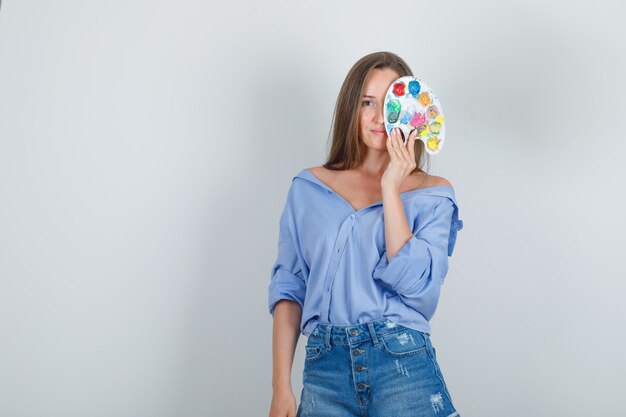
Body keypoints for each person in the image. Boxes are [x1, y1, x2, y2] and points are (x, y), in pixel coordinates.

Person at [267, 51, 464, 417]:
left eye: (391, 103)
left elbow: (419, 290)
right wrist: (282, 387)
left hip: (401, 362)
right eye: (367, 103)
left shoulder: (434, 193)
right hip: (325, 370)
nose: (378, 118)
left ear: (410, 111)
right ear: (350, 109)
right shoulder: (308, 188)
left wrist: (391, 188)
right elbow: (289, 287)